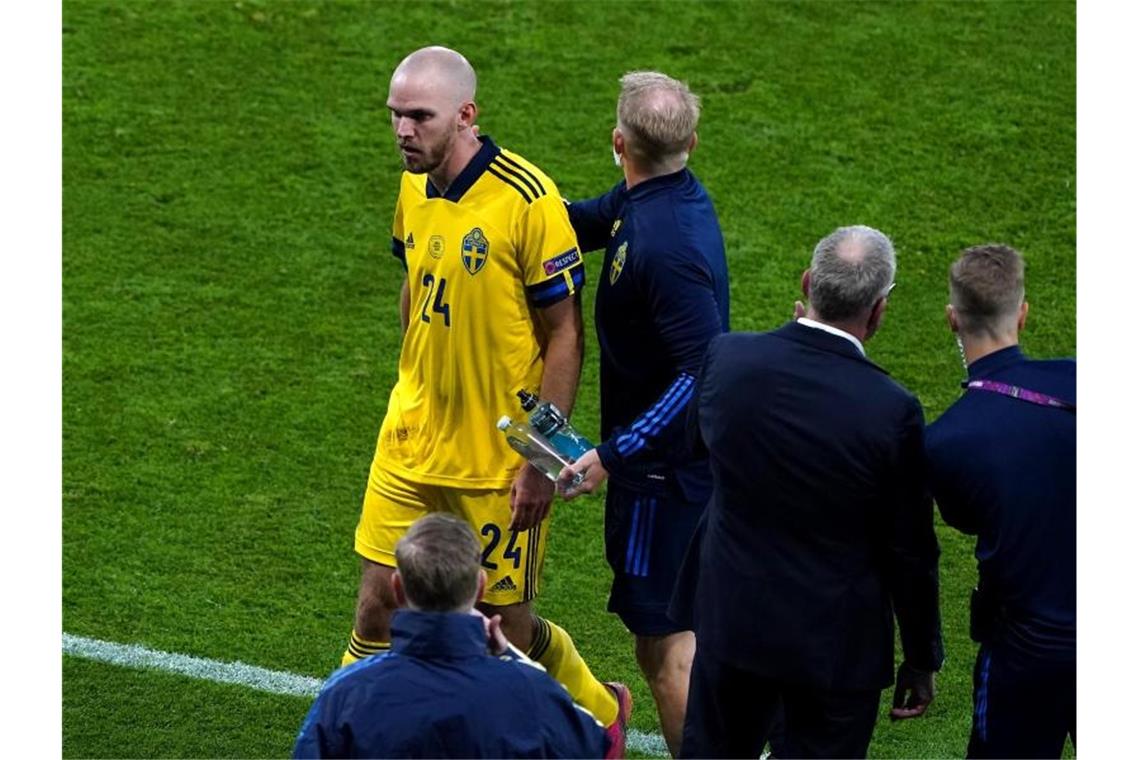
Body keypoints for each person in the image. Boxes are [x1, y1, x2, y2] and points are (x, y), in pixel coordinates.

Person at [341, 46, 629, 751]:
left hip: (494, 463)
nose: (403, 131)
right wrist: (417, 376)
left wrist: (537, 457)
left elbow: (565, 337)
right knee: (380, 599)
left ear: (467, 115)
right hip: (410, 440)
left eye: (419, 116)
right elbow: (415, 278)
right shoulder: (412, 186)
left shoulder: (526, 201)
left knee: (505, 630)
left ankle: (598, 713)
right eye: (395, 116)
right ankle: (346, 729)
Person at [672, 225, 944, 758]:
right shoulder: (891, 409)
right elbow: (911, 551)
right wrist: (920, 657)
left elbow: (693, 445)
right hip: (834, 651)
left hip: (733, 624)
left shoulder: (728, 358)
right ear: (878, 312)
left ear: (806, 282)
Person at [556, 71, 729, 756]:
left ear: (617, 141)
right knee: (683, 634)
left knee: (665, 653)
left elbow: (701, 370)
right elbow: (582, 219)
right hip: (673, 471)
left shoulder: (666, 247)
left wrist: (613, 455)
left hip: (664, 480)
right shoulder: (655, 199)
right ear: (691, 140)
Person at [925, 244, 1075, 758]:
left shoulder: (945, 440)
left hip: (1026, 650)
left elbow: (966, 519)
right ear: (1024, 313)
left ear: (952, 319)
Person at [296, 514, 608, 758]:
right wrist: (514, 657)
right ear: (481, 587)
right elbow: (593, 742)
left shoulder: (344, 695)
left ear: (397, 589)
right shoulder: (530, 691)